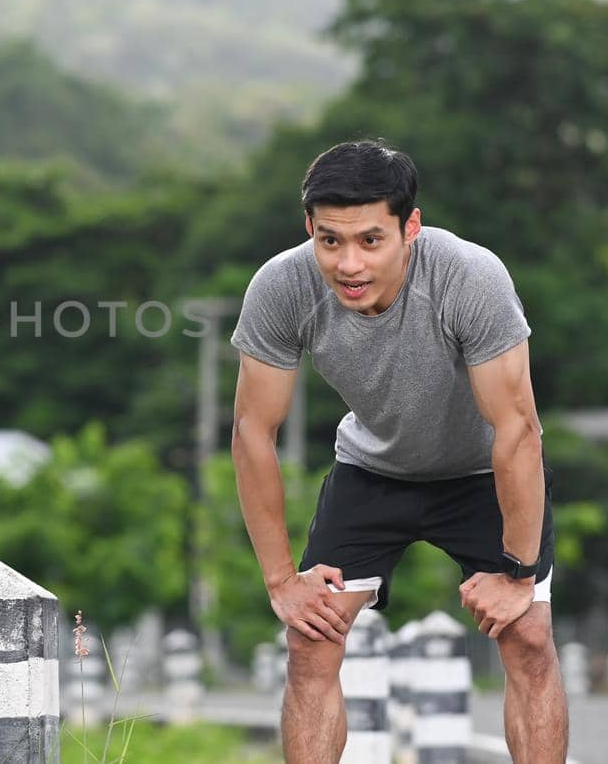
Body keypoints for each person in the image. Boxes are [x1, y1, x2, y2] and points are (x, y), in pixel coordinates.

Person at [229, 140, 567, 763]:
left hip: (481, 474)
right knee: (310, 642)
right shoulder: (281, 286)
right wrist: (280, 579)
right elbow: (253, 430)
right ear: (309, 228)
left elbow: (519, 429)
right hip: (372, 471)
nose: (349, 264)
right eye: (330, 240)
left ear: (411, 227)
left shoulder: (470, 276)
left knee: (529, 637)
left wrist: (518, 573)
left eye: (370, 240)